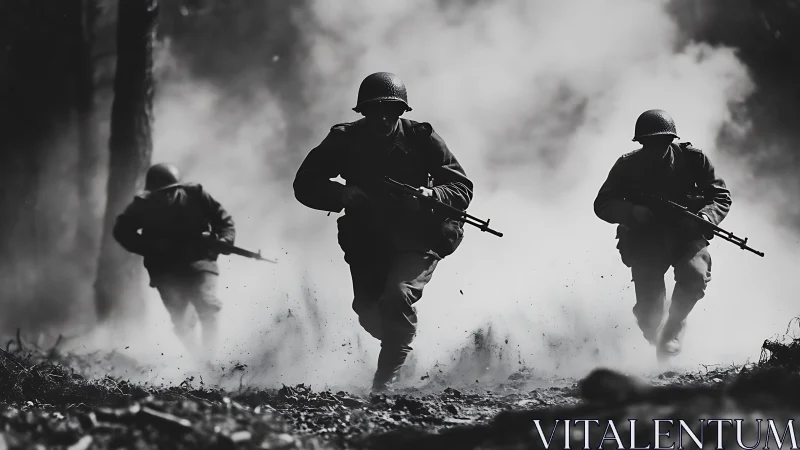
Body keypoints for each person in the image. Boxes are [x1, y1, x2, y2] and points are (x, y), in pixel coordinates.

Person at [293, 72, 474, 391]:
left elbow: (461, 186)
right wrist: (339, 194)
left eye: (390, 111)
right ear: (363, 112)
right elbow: (305, 182)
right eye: (374, 111)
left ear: (401, 111)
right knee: (367, 310)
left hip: (419, 236)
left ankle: (385, 380)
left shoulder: (422, 138)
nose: (382, 118)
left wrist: (433, 195)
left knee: (398, 295)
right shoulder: (345, 139)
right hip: (369, 238)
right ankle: (402, 348)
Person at [593, 109, 732, 362]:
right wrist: (633, 211)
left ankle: (674, 328)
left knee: (695, 275)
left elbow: (720, 195)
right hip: (646, 239)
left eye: (662, 142)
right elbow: (602, 204)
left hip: (686, 234)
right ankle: (656, 334)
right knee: (649, 314)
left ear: (672, 140)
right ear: (641, 143)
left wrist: (706, 217)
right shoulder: (627, 166)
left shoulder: (693, 160)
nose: (656, 148)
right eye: (650, 142)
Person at [113, 163, 236, 360]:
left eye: (169, 192)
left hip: (199, 262)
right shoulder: (142, 206)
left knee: (207, 304)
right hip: (165, 269)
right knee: (181, 322)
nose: (166, 197)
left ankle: (212, 359)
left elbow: (224, 221)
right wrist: (150, 246)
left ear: (177, 187)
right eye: (160, 193)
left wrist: (224, 241)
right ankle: (202, 363)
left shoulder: (196, 195)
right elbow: (122, 231)